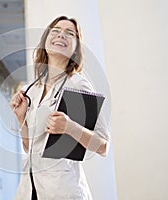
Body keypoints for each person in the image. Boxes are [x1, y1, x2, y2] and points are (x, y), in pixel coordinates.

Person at [9, 16, 110, 200]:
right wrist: (20, 117)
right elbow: (29, 147)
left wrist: (69, 127)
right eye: (55, 31)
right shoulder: (33, 89)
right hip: (30, 189)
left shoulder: (78, 84)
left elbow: (103, 146)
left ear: (76, 49)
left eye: (69, 33)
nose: (61, 35)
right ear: (46, 40)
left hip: (62, 189)